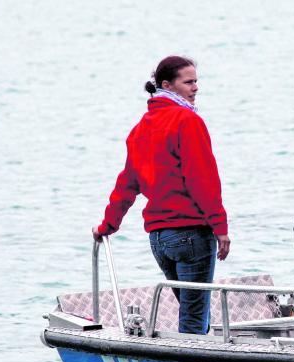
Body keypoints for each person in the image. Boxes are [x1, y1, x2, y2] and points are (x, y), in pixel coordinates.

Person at [94, 55, 230, 334]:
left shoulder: (140, 129)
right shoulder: (187, 121)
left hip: (159, 240)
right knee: (193, 321)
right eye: (188, 82)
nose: (195, 88)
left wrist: (108, 226)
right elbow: (202, 180)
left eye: (196, 81)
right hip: (191, 234)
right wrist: (220, 227)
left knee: (193, 312)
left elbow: (127, 183)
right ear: (167, 85)